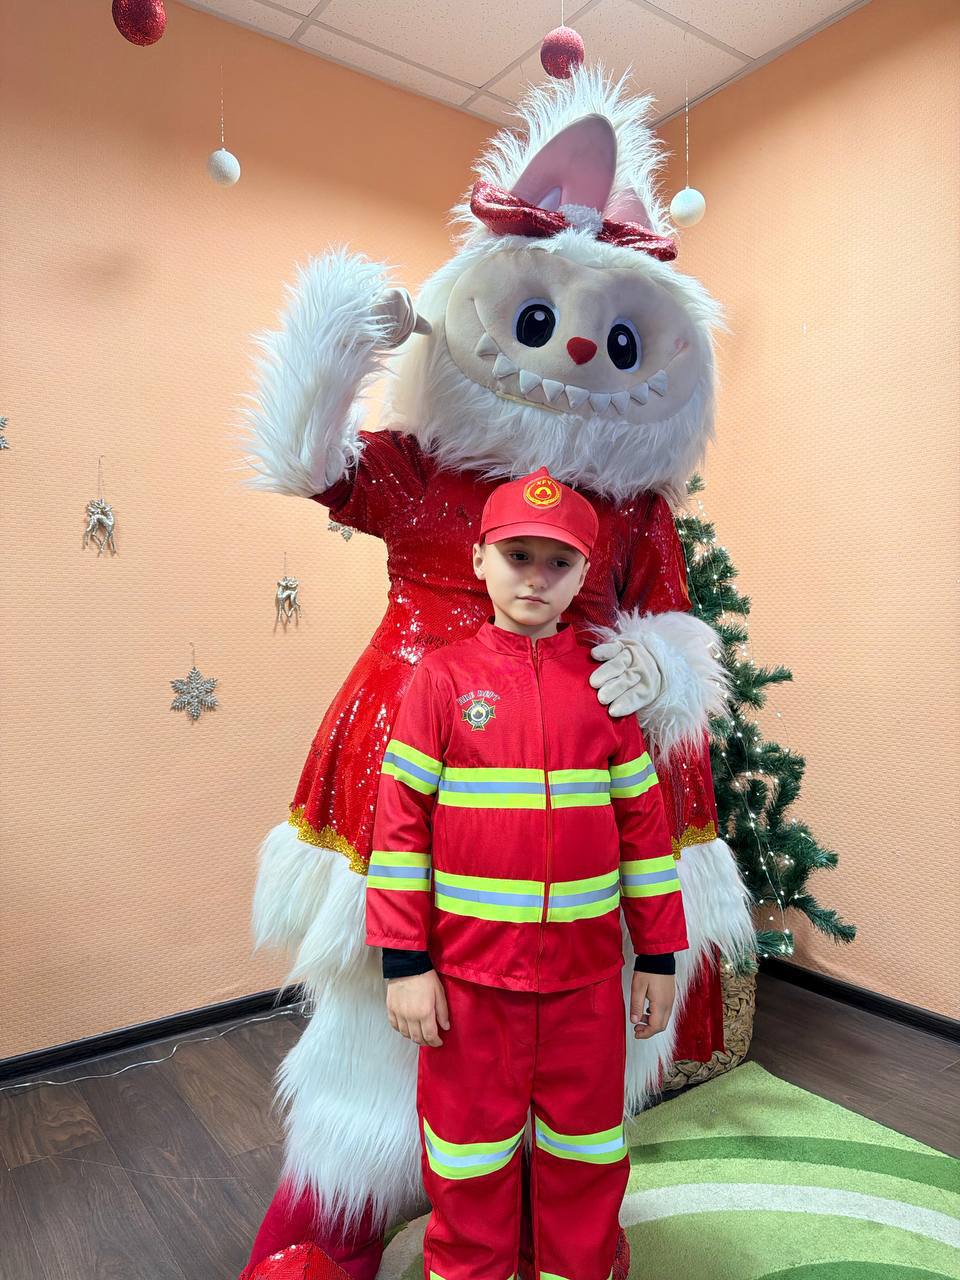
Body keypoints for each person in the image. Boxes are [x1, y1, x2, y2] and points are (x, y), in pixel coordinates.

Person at [365, 466, 689, 1280]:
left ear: (584, 573)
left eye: (558, 561)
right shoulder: (441, 681)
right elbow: (399, 830)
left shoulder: (607, 692)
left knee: (587, 1153)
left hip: (586, 987)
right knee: (467, 1159)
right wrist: (405, 964)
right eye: (518, 556)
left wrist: (658, 954)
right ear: (480, 559)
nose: (536, 578)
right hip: (470, 988)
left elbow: (645, 833)